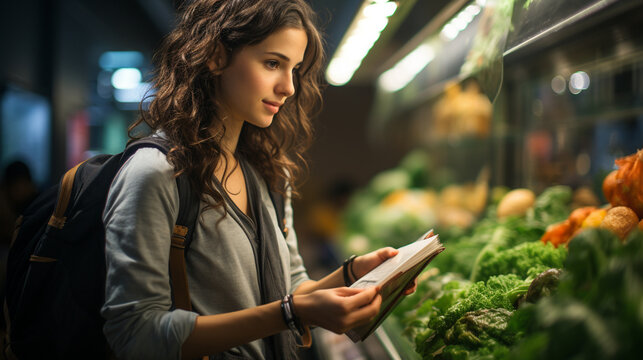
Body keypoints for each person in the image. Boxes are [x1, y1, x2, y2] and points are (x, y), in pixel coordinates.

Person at [101, 1, 417, 359]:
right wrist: (290, 313)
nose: (289, 87)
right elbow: (135, 333)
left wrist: (352, 274)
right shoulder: (156, 173)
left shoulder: (268, 173)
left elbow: (292, 288)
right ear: (217, 56)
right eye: (272, 63)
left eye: (294, 69)